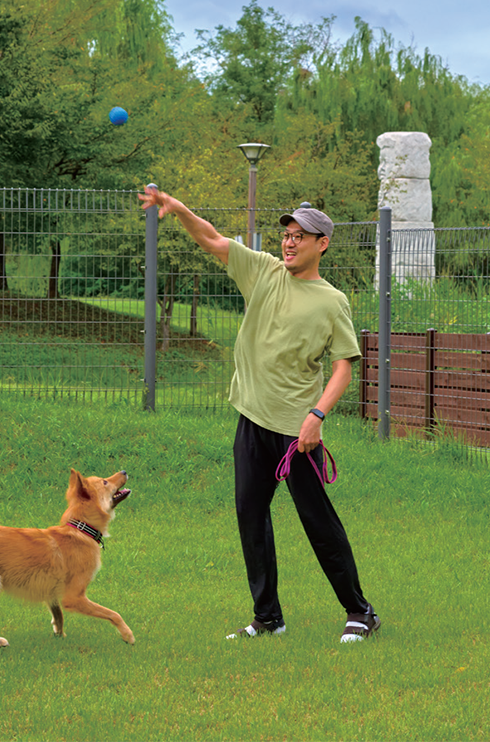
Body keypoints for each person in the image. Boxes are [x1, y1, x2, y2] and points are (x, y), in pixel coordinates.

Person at [138, 186, 380, 644]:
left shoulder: (332, 302)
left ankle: (360, 611)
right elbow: (211, 240)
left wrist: (317, 416)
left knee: (318, 523)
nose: (289, 241)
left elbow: (344, 366)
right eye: (287, 233)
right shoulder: (263, 271)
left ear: (321, 244)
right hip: (252, 420)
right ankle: (268, 616)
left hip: (297, 432)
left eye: (300, 236)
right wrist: (179, 208)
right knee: (251, 516)